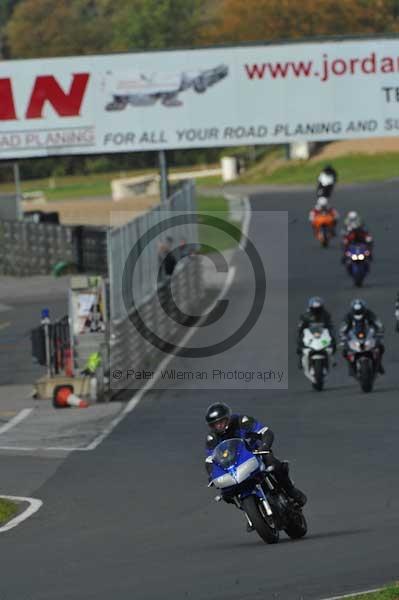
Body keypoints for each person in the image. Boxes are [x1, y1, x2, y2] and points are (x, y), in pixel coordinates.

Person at [205, 403, 307, 531]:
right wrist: (212, 474)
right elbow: (210, 459)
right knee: (226, 493)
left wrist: (264, 445)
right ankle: (252, 513)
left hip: (256, 452)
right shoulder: (212, 438)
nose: (218, 426)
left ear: (228, 418)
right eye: (215, 424)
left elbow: (265, 431)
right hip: (236, 465)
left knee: (274, 465)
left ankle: (291, 491)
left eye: (221, 422)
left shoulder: (242, 421)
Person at [340, 299, 385, 375]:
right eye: (356, 311)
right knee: (345, 351)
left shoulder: (369, 314)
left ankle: (379, 365)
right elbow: (343, 327)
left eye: (360, 311)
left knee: (380, 347)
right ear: (353, 310)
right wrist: (343, 335)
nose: (358, 313)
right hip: (354, 337)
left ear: (364, 309)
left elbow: (378, 323)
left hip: (368, 335)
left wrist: (380, 332)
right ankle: (351, 366)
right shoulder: (348, 316)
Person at [296, 297, 336, 367]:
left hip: (322, 334)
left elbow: (330, 325)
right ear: (311, 308)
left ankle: (332, 358)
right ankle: (301, 359)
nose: (316, 311)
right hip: (310, 335)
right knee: (300, 340)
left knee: (332, 339)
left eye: (318, 309)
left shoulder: (326, 315)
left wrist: (330, 329)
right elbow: (301, 326)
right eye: (315, 309)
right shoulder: (305, 315)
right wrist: (301, 328)